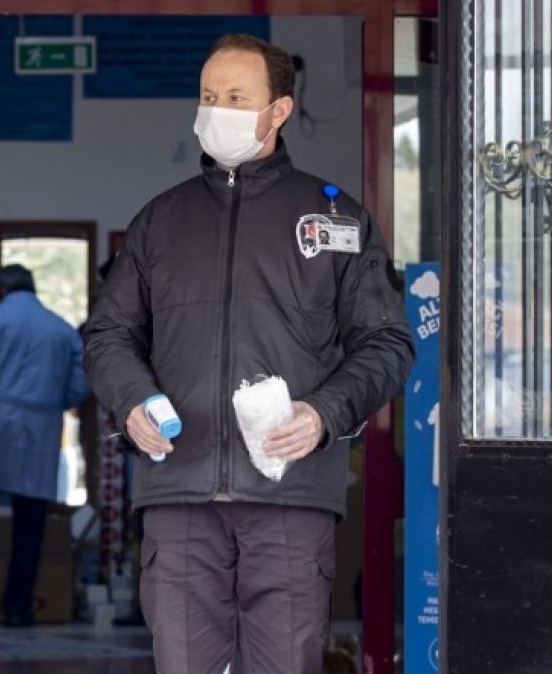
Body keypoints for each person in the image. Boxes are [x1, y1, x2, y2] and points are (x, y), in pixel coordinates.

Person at [83, 33, 415, 674]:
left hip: (289, 495)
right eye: (209, 95)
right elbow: (108, 334)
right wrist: (130, 401)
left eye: (237, 96)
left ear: (279, 110)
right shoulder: (161, 221)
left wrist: (323, 412)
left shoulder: (337, 222)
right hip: (179, 490)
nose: (218, 109)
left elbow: (388, 342)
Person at [0, 265, 89, 627]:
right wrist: (57, 402)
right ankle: (17, 605)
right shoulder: (61, 329)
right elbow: (79, 383)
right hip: (41, 423)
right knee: (31, 518)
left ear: (0, 289)